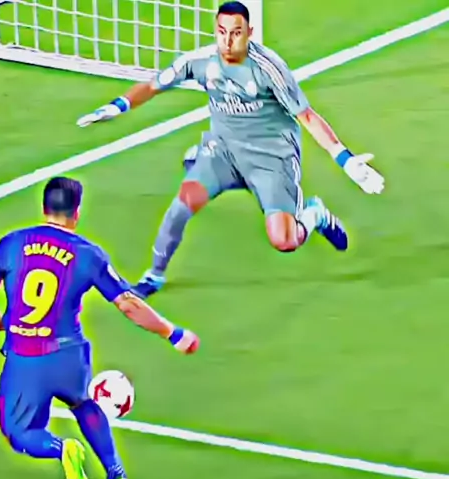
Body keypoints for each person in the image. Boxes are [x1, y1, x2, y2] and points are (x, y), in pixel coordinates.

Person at [77, 1, 385, 299]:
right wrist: (118, 106)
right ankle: (154, 275)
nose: (227, 41)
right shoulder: (200, 62)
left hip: (271, 158)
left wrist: (346, 160)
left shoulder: (268, 68)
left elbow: (307, 117)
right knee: (182, 205)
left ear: (250, 32)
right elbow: (154, 85)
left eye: (236, 33)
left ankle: (314, 213)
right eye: (222, 32)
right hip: (223, 152)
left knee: (284, 241)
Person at [0, 176, 199, 479]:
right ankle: (118, 478)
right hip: (69, 355)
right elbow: (128, 305)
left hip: (26, 358)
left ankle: (62, 449)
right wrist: (173, 333)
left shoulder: (12, 244)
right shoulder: (88, 255)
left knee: (19, 432)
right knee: (82, 402)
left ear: (44, 207)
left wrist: (4, 324)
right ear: (76, 213)